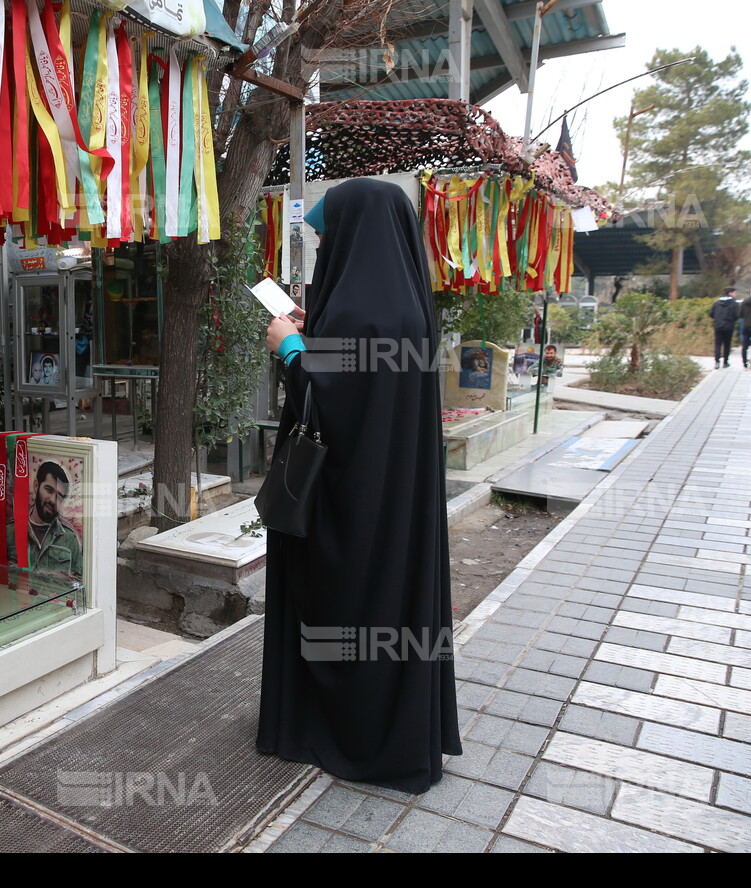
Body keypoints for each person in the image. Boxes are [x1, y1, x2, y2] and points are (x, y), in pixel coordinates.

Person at [260, 178, 461, 794]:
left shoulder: (360, 310)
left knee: (340, 603)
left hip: (348, 504)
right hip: (393, 503)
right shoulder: (406, 304)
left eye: (327, 237)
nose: (323, 250)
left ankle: (344, 732)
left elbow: (335, 406)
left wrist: (291, 349)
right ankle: (392, 730)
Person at [28, 461, 82, 577]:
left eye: (59, 497)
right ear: (36, 486)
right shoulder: (12, 528)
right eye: (49, 490)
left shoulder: (69, 539)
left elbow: (78, 583)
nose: (53, 500)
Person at [710, 287, 739, 369]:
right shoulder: (734, 303)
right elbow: (737, 315)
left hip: (718, 326)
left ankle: (717, 362)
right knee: (727, 344)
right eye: (734, 293)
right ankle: (725, 362)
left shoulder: (717, 302)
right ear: (730, 293)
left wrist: (718, 319)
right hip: (729, 326)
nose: (735, 295)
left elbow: (711, 314)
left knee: (718, 344)